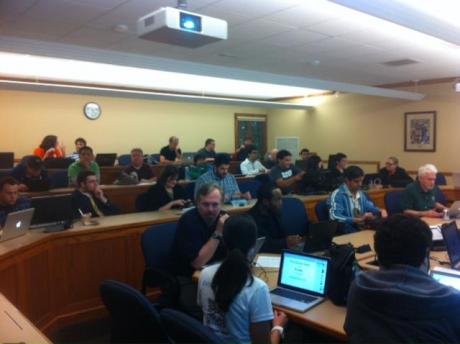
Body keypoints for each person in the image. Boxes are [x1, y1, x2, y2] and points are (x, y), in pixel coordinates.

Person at [345, 215, 460, 343]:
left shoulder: (358, 287)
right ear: (426, 255)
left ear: (377, 254)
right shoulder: (452, 300)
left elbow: (351, 330)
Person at [198, 215, 288, 343]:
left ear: (223, 241)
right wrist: (278, 327)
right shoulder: (257, 288)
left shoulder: (205, 274)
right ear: (254, 245)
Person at [170, 183, 228, 317]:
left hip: (215, 273)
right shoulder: (188, 221)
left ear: (222, 204)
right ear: (197, 203)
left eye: (215, 204)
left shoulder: (224, 218)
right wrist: (218, 232)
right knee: (209, 312)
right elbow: (197, 263)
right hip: (188, 277)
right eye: (205, 204)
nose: (211, 209)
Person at [327, 166, 387, 233]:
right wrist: (357, 219)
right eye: (356, 181)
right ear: (347, 180)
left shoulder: (360, 193)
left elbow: (369, 206)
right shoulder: (337, 195)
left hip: (361, 228)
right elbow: (334, 217)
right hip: (347, 230)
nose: (360, 184)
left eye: (361, 181)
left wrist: (380, 210)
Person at [249, 183, 302, 253]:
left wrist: (292, 239)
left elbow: (283, 234)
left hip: (282, 250)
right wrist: (285, 242)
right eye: (277, 200)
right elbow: (261, 246)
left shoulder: (274, 212)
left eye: (281, 199)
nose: (281, 203)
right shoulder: (251, 219)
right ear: (265, 202)